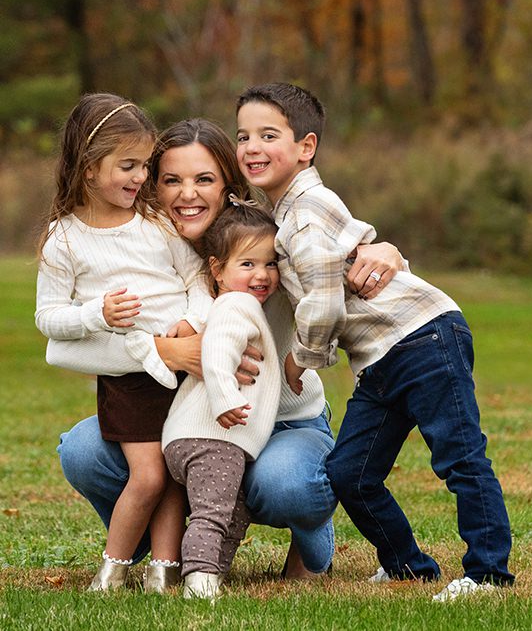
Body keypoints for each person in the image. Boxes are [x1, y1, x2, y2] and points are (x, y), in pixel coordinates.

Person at [48, 117, 406, 580]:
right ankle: (154, 544)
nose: (187, 194)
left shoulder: (267, 244)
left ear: (228, 187)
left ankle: (311, 528)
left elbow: (334, 263)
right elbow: (63, 351)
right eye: (171, 180)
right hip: (183, 426)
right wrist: (170, 352)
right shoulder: (144, 250)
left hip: (280, 423)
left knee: (284, 483)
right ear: (152, 186)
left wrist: (386, 252)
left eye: (204, 179)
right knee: (82, 450)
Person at [235, 83, 513, 601]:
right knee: (350, 472)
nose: (252, 147)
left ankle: (488, 574)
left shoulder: (305, 212)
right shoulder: (283, 214)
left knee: (460, 458)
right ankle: (407, 566)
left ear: (306, 146)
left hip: (423, 337)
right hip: (380, 358)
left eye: (268, 135)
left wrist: (299, 361)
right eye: (243, 136)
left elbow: (323, 302)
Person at [35, 94, 211, 593]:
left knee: (173, 474)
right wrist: (96, 314)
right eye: (127, 166)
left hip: (183, 370)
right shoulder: (64, 239)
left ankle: (165, 569)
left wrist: (191, 321)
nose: (140, 177)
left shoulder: (156, 222)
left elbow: (197, 277)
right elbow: (48, 318)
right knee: (149, 475)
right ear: (89, 168)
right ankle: (112, 569)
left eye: (145, 165)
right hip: (130, 380)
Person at [162, 199, 287, 599]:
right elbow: (216, 350)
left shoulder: (237, 303)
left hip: (205, 439)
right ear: (217, 270)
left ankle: (213, 571)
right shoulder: (237, 304)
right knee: (213, 513)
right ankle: (198, 579)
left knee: (235, 511)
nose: (262, 274)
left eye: (270, 263)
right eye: (247, 264)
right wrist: (225, 398)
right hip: (212, 436)